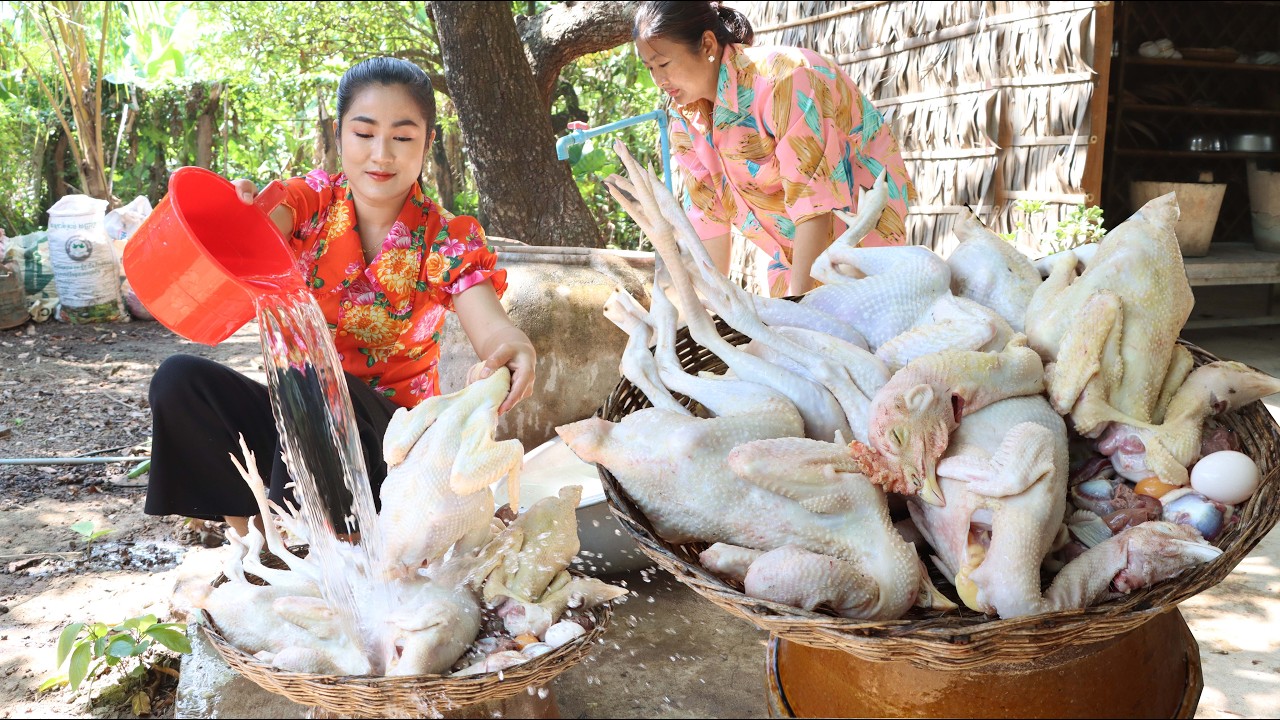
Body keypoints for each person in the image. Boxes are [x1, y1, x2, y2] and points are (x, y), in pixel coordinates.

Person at [144, 57, 536, 538]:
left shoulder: (447, 239)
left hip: (392, 447)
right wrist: (240, 215)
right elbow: (263, 231)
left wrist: (512, 348)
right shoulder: (309, 202)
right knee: (180, 380)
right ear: (339, 134)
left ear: (428, 142)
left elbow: (490, 323)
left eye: (403, 137)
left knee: (326, 386)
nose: (382, 155)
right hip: (300, 422)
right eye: (365, 133)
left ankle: (335, 546)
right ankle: (258, 544)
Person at [634, 1, 917, 297]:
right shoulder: (684, 119)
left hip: (862, 231)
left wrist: (799, 304)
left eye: (663, 64)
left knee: (859, 326)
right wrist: (710, 305)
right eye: (649, 67)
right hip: (793, 249)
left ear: (707, 44)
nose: (658, 80)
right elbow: (710, 222)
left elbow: (813, 204)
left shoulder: (785, 79)